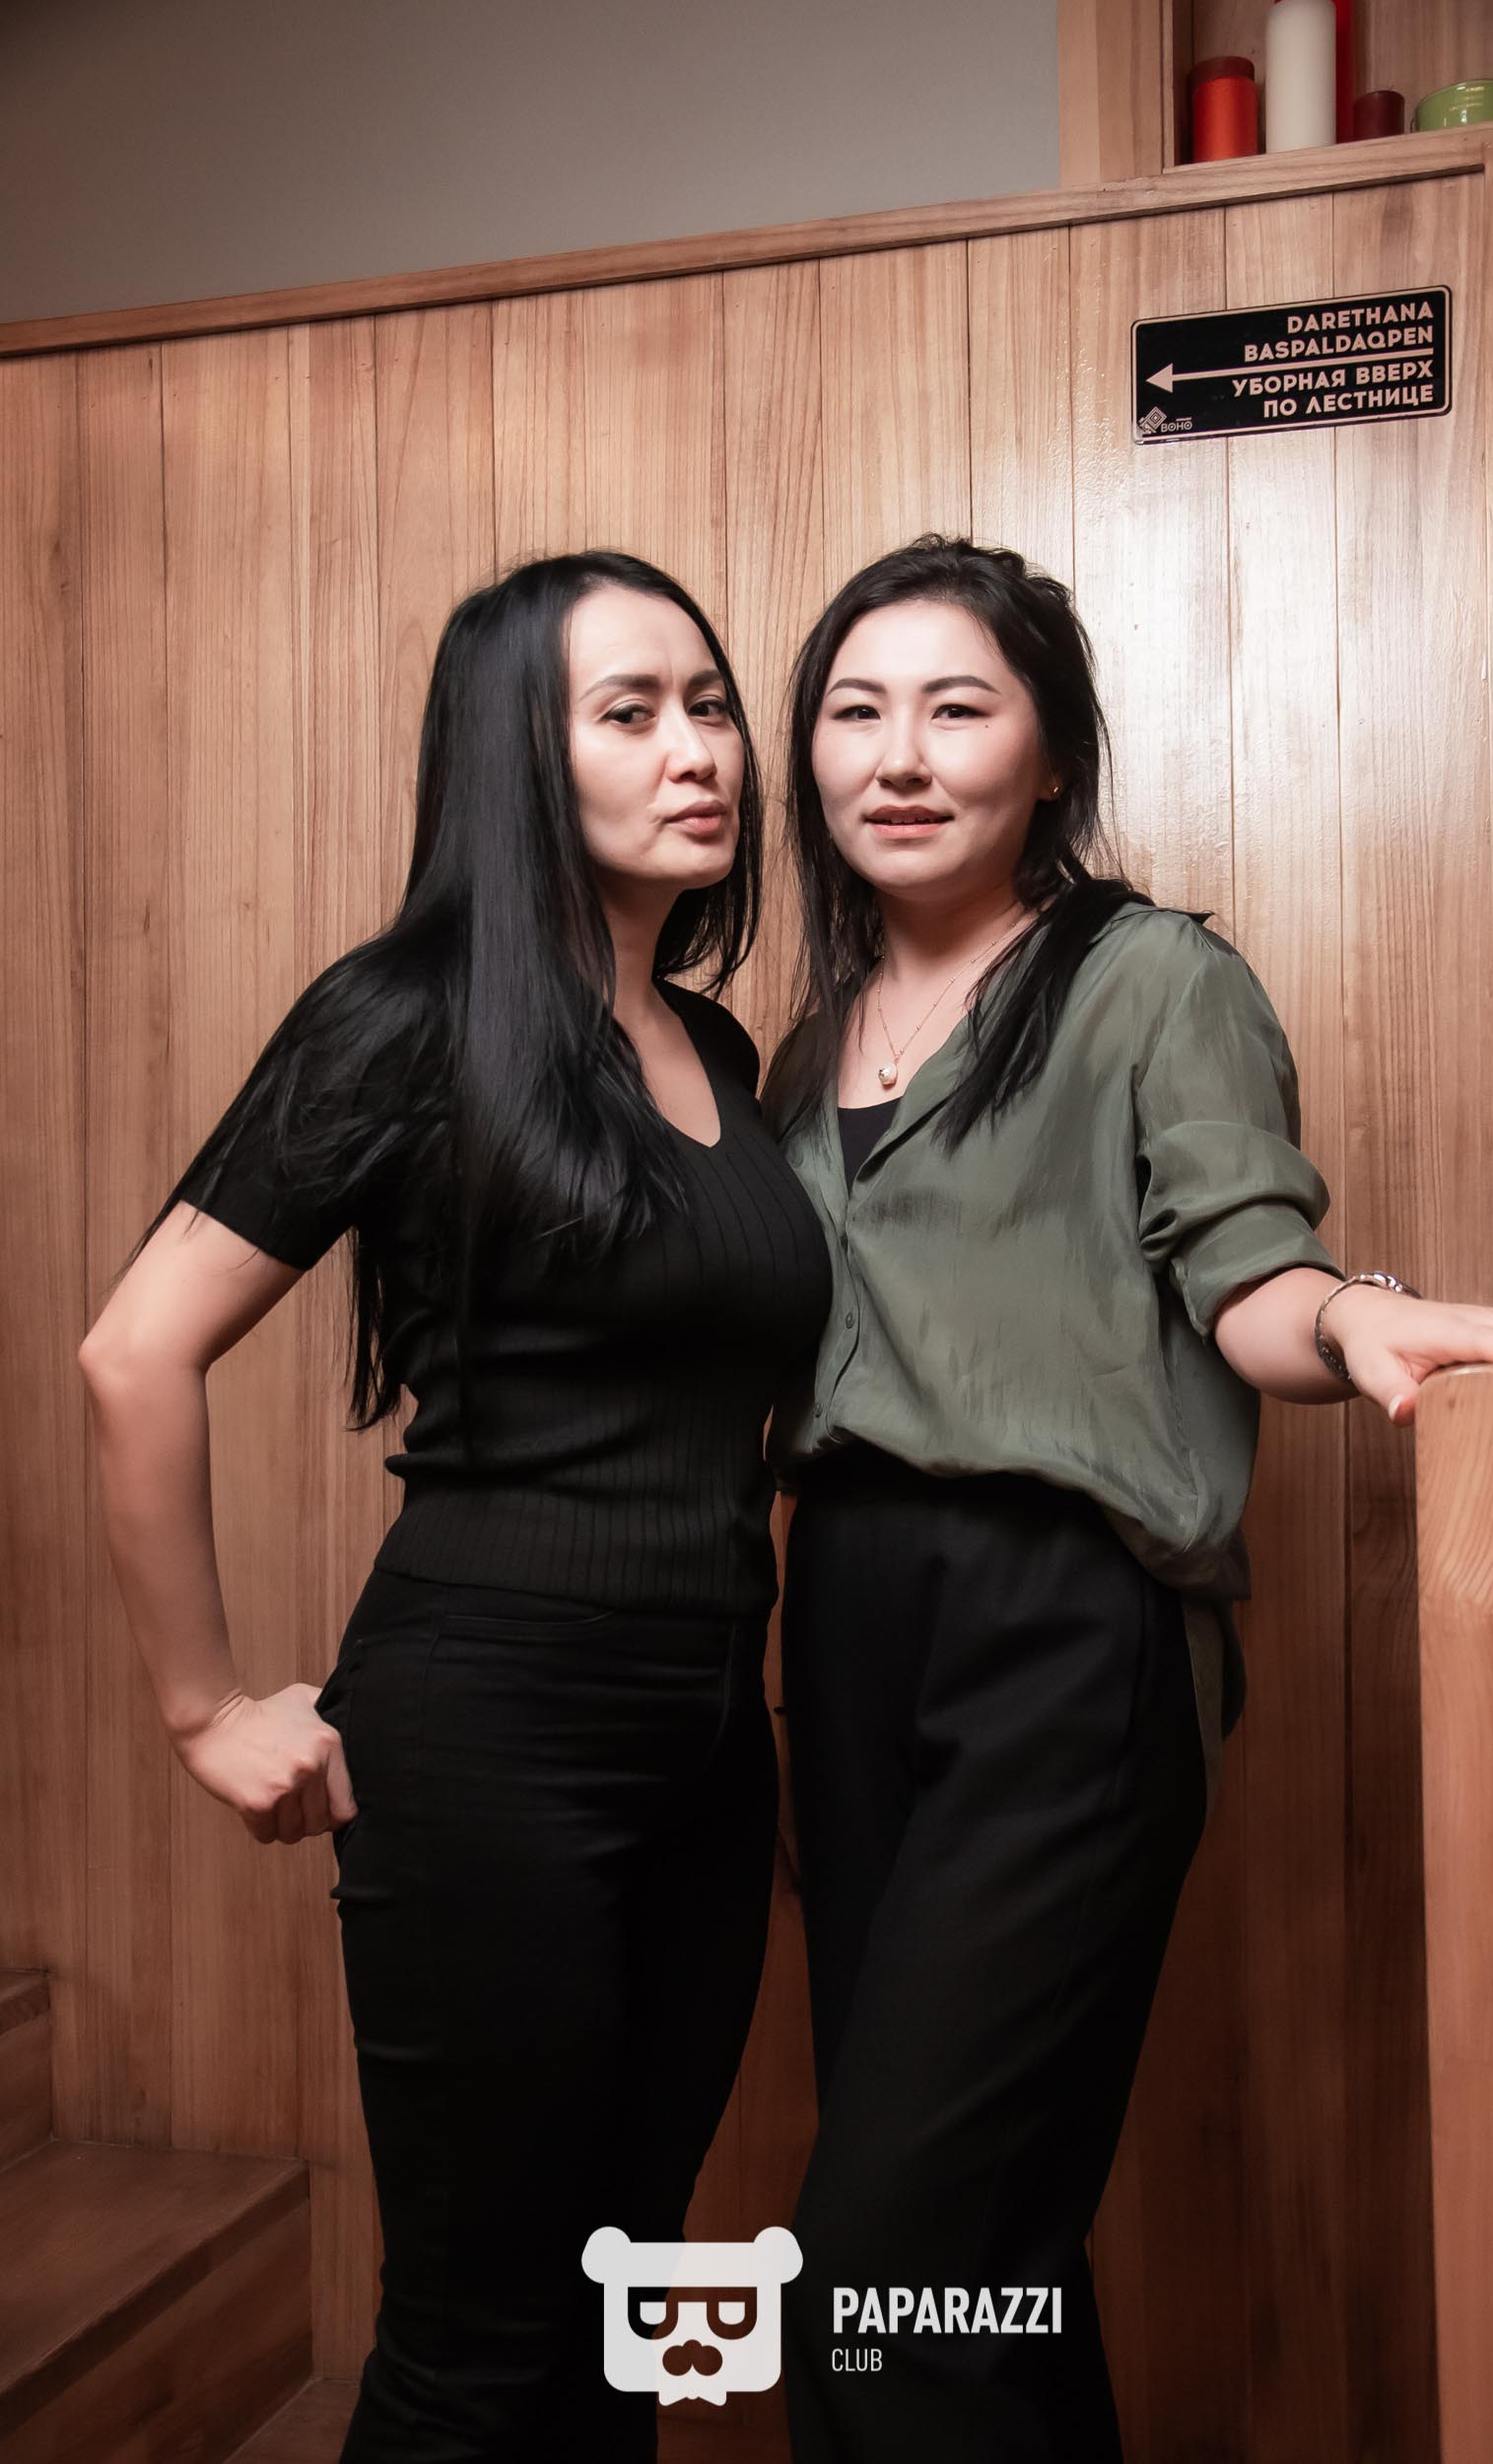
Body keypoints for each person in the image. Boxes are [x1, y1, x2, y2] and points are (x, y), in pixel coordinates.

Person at [761, 535, 1493, 2463]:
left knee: (887, 2265)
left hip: (1067, 1631)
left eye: (958, 707)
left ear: (1051, 752)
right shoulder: (804, 1050)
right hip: (848, 1617)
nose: (900, 754)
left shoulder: (1152, 980)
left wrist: (1361, 1319)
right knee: (988, 2250)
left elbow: (1247, 1267)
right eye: (856, 710)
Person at [77, 551, 833, 2463]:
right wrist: (201, 1705)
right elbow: (134, 1350)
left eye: (711, 704)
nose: (701, 750)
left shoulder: (718, 1051)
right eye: (632, 711)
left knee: (623, 2307)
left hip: (705, 1748)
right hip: (493, 1732)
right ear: (519, 754)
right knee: (476, 2349)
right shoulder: (405, 1014)